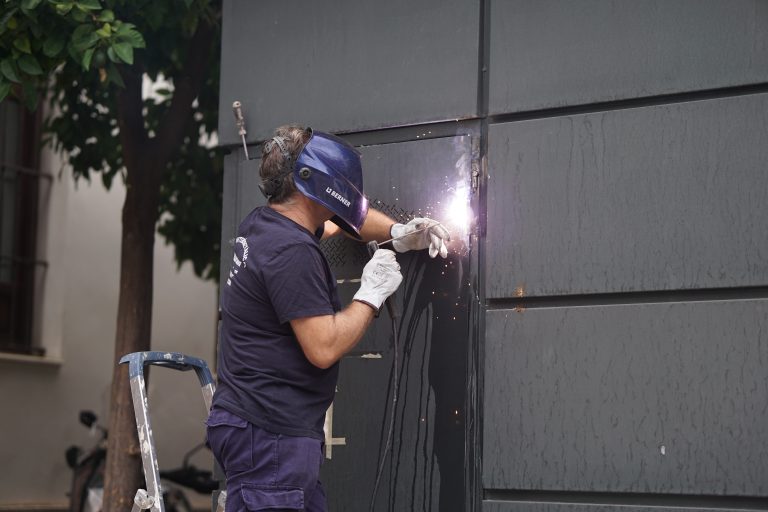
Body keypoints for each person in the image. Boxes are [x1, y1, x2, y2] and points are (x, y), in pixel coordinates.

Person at [206, 125, 450, 511]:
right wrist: (370, 295)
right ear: (316, 182)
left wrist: (399, 232)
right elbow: (323, 347)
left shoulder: (264, 225)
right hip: (270, 435)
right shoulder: (291, 252)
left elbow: (341, 221)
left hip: (257, 426)